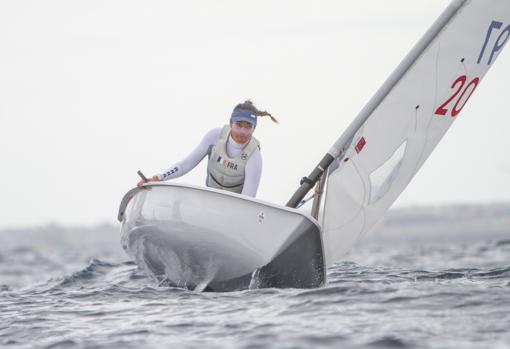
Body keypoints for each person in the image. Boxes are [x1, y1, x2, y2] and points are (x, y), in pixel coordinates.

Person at [137, 100, 278, 197]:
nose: (242, 131)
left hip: (233, 209)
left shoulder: (254, 156)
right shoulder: (215, 136)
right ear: (230, 123)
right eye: (239, 125)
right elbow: (185, 164)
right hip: (209, 201)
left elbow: (248, 197)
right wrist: (158, 178)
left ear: (254, 128)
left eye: (248, 127)